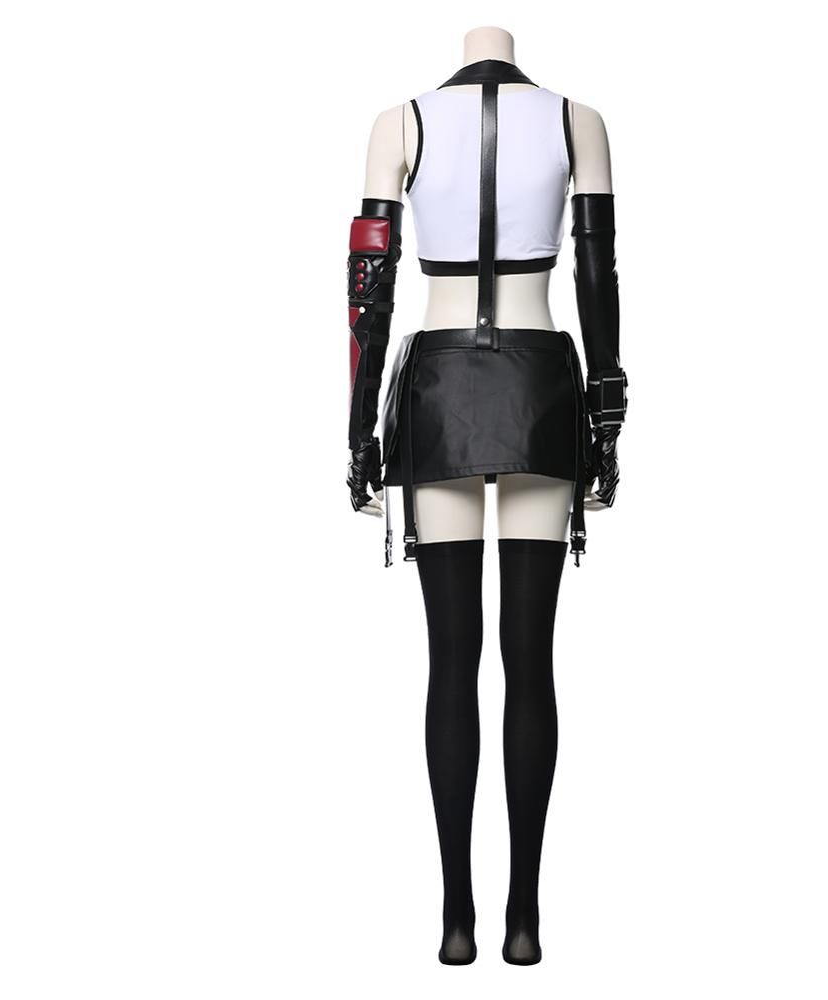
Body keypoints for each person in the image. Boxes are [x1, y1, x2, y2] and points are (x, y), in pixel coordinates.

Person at [344, 27, 628, 965]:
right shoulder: (579, 120)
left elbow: (370, 288)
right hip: (542, 383)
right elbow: (597, 274)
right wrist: (607, 411)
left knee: (451, 663)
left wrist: (359, 426)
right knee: (531, 662)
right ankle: (524, 919)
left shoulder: (401, 122)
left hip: (438, 391)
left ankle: (456, 918)